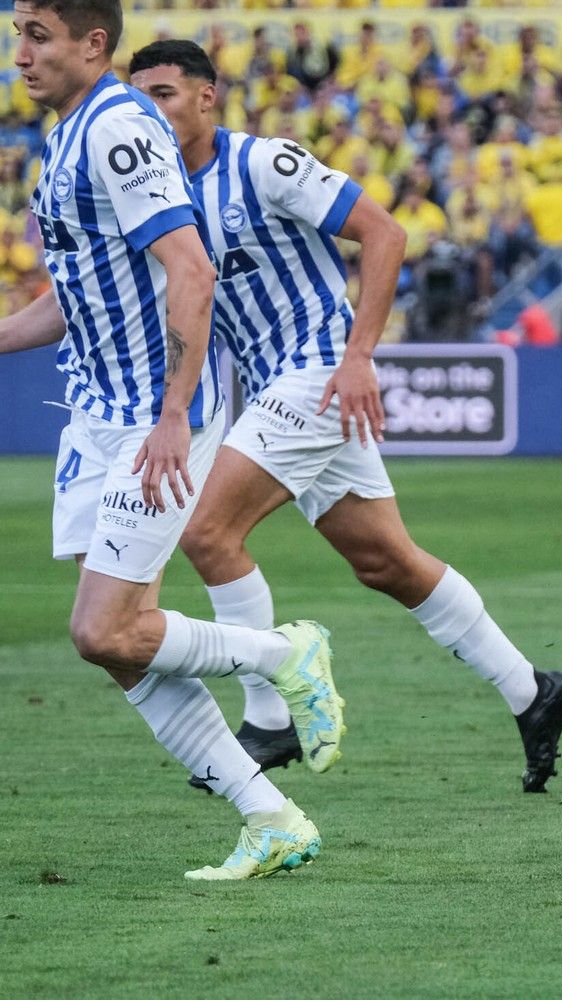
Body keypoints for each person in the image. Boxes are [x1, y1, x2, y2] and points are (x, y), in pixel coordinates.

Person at [128, 40, 562, 797]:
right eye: (141, 101)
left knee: (206, 531)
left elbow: (386, 233)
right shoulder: (157, 198)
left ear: (208, 97)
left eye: (166, 94)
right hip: (276, 390)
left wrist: (360, 355)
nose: (153, 113)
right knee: (387, 563)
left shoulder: (264, 164)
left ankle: (269, 714)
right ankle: (532, 692)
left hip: (319, 374)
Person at [0, 0, 343, 880]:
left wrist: (173, 414)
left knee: (104, 629)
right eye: (17, 40)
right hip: (98, 414)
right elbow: (76, 294)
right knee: (119, 646)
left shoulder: (120, 128)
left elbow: (190, 269)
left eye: (38, 38)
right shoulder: (68, 134)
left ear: (93, 42)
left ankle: (284, 654)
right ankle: (270, 817)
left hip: (154, 418)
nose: (22, 57)